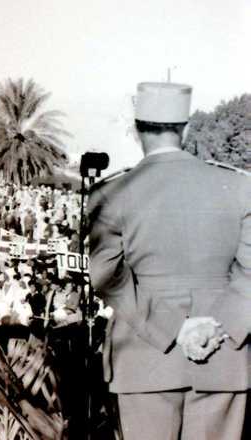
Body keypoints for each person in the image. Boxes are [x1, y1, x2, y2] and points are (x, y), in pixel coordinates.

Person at [88, 81, 250, 440]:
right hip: (223, 353)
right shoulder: (239, 186)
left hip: (144, 356)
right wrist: (219, 326)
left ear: (135, 130)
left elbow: (106, 274)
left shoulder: (110, 193)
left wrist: (176, 328)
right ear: (187, 129)